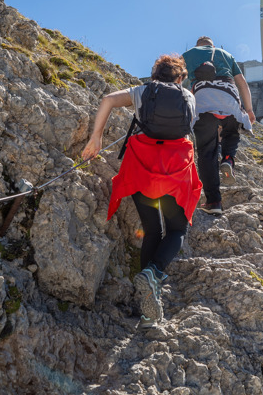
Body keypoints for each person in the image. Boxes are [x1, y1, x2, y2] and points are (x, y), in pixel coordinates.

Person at [81, 54, 201, 329]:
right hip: (174, 172)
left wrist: (96, 137)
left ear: (154, 75)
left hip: (142, 167)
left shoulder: (143, 91)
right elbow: (186, 132)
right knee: (176, 230)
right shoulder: (189, 97)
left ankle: (147, 298)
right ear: (180, 78)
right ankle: (153, 275)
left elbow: (108, 99)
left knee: (151, 228)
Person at [181, 36, 256, 216]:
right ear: (212, 45)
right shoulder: (226, 54)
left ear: (197, 45)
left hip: (203, 101)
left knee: (207, 153)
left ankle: (214, 201)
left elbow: (176, 79)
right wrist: (249, 110)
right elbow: (242, 83)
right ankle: (229, 158)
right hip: (229, 99)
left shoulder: (187, 55)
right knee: (231, 132)